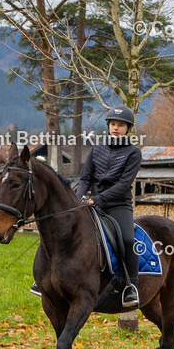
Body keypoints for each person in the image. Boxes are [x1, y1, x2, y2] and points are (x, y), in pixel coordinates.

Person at [32, 105, 142, 306]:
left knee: (127, 239)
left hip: (118, 206)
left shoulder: (133, 153)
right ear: (108, 126)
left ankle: (131, 285)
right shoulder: (97, 150)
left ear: (128, 128)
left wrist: (98, 199)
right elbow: (85, 178)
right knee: (62, 230)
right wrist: (76, 199)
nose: (116, 128)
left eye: (121, 125)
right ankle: (45, 277)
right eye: (113, 124)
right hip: (93, 203)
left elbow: (123, 185)